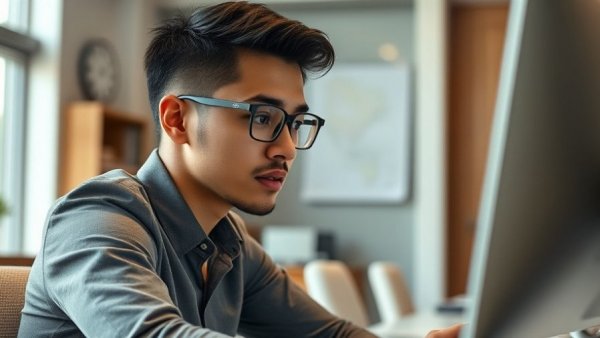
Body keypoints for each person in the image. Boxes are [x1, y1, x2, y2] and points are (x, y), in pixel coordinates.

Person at [19, 2, 461, 337]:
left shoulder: (229, 241)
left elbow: (328, 335)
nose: (287, 148)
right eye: (262, 117)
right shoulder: (97, 217)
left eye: (294, 122)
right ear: (177, 120)